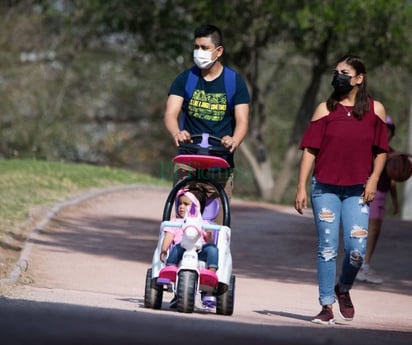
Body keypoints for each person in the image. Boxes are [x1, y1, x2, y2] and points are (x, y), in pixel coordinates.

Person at [294, 55, 389, 325]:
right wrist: (301, 187)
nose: (339, 76)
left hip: (358, 191)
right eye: (337, 72)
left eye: (345, 72)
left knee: (357, 250)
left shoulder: (375, 110)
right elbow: (310, 151)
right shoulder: (325, 109)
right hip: (325, 189)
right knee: (327, 248)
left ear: (359, 78)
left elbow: (381, 150)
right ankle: (326, 305)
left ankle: (343, 287)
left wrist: (373, 180)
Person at [163, 24, 250, 224]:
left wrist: (234, 139)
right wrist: (177, 132)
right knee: (183, 222)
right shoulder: (185, 79)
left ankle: (213, 253)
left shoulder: (235, 82)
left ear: (218, 51)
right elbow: (170, 113)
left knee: (216, 226)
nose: (198, 53)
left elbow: (243, 120)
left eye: (204, 48)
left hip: (220, 160)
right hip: (189, 158)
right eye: (196, 47)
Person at [356, 115, 399, 284]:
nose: (386, 133)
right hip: (367, 193)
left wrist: (395, 202)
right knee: (367, 230)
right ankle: (359, 265)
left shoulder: (394, 154)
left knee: (375, 232)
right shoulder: (370, 148)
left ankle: (365, 265)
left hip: (382, 195)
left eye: (389, 130)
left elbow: (393, 181)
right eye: (383, 129)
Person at [159, 185, 218, 273]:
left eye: (186, 204)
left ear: (197, 207)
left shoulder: (204, 223)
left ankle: (211, 271)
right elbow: (169, 236)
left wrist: (209, 233)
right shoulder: (175, 222)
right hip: (182, 248)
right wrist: (164, 250)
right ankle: (170, 267)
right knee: (176, 248)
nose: (181, 207)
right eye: (180, 203)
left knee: (212, 249)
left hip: (199, 250)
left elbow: (208, 241)